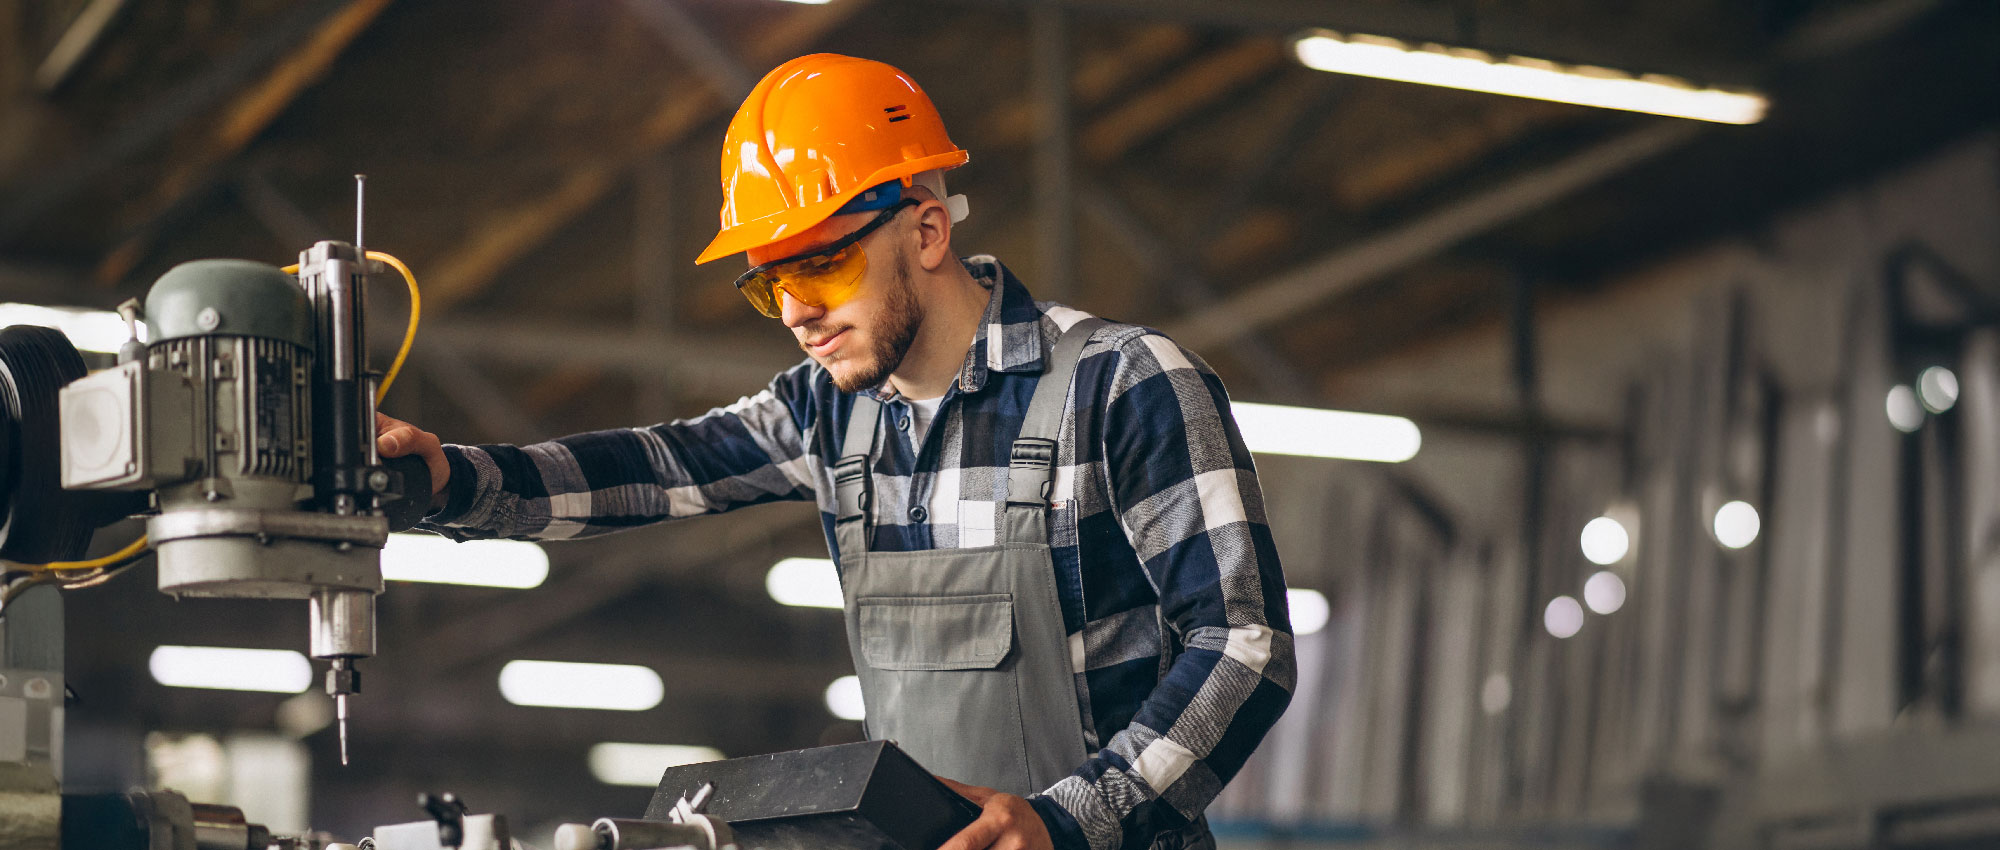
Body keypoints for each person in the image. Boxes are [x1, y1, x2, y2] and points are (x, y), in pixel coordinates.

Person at [376, 53, 1295, 850]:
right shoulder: (827, 413)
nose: (795, 312)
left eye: (821, 264)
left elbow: (1244, 645)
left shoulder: (1122, 384)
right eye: (769, 281)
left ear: (927, 231)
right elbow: (656, 468)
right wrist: (456, 482)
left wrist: (1066, 823)